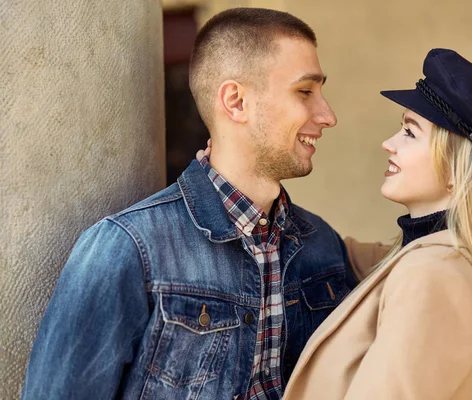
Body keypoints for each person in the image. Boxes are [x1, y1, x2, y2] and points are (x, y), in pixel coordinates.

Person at [21, 8, 361, 400]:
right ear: (235, 102)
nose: (328, 115)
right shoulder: (128, 249)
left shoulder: (323, 248)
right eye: (305, 91)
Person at [282, 48, 472, 400]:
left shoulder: (433, 274)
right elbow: (330, 247)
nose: (388, 144)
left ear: (458, 169)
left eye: (410, 133)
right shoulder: (440, 260)